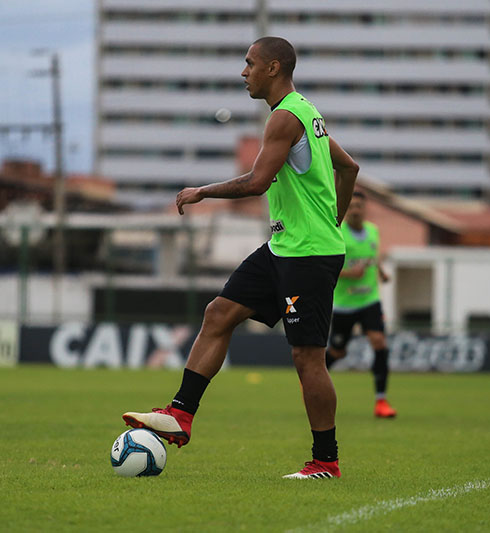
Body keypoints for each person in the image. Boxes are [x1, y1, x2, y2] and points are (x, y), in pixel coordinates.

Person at [122, 36, 360, 480]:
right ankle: (181, 414)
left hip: (307, 256)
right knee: (219, 313)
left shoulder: (287, 116)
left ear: (273, 67)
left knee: (307, 358)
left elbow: (256, 183)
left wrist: (201, 191)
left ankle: (325, 460)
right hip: (284, 247)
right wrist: (336, 219)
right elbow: (350, 168)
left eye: (249, 63)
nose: (243, 71)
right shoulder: (308, 114)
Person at [325, 190, 397, 418]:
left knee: (379, 342)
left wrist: (382, 273)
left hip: (369, 300)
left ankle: (381, 402)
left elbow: (372, 257)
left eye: (359, 206)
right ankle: (311, 376)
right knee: (338, 352)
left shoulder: (373, 231)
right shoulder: (336, 233)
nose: (355, 210)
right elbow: (327, 267)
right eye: (352, 206)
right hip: (344, 305)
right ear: (346, 208)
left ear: (365, 210)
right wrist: (348, 273)